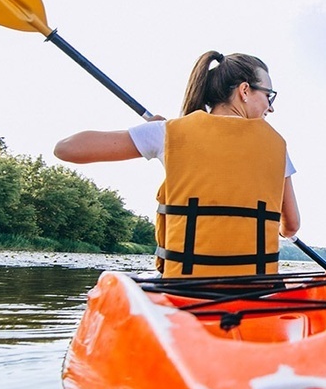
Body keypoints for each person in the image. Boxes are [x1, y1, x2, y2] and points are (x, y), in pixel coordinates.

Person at [54, 51, 299, 278]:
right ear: (245, 90)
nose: (271, 106)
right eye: (269, 95)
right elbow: (291, 226)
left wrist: (154, 132)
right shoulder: (277, 147)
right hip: (254, 290)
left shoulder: (168, 133)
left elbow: (66, 148)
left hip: (182, 287)